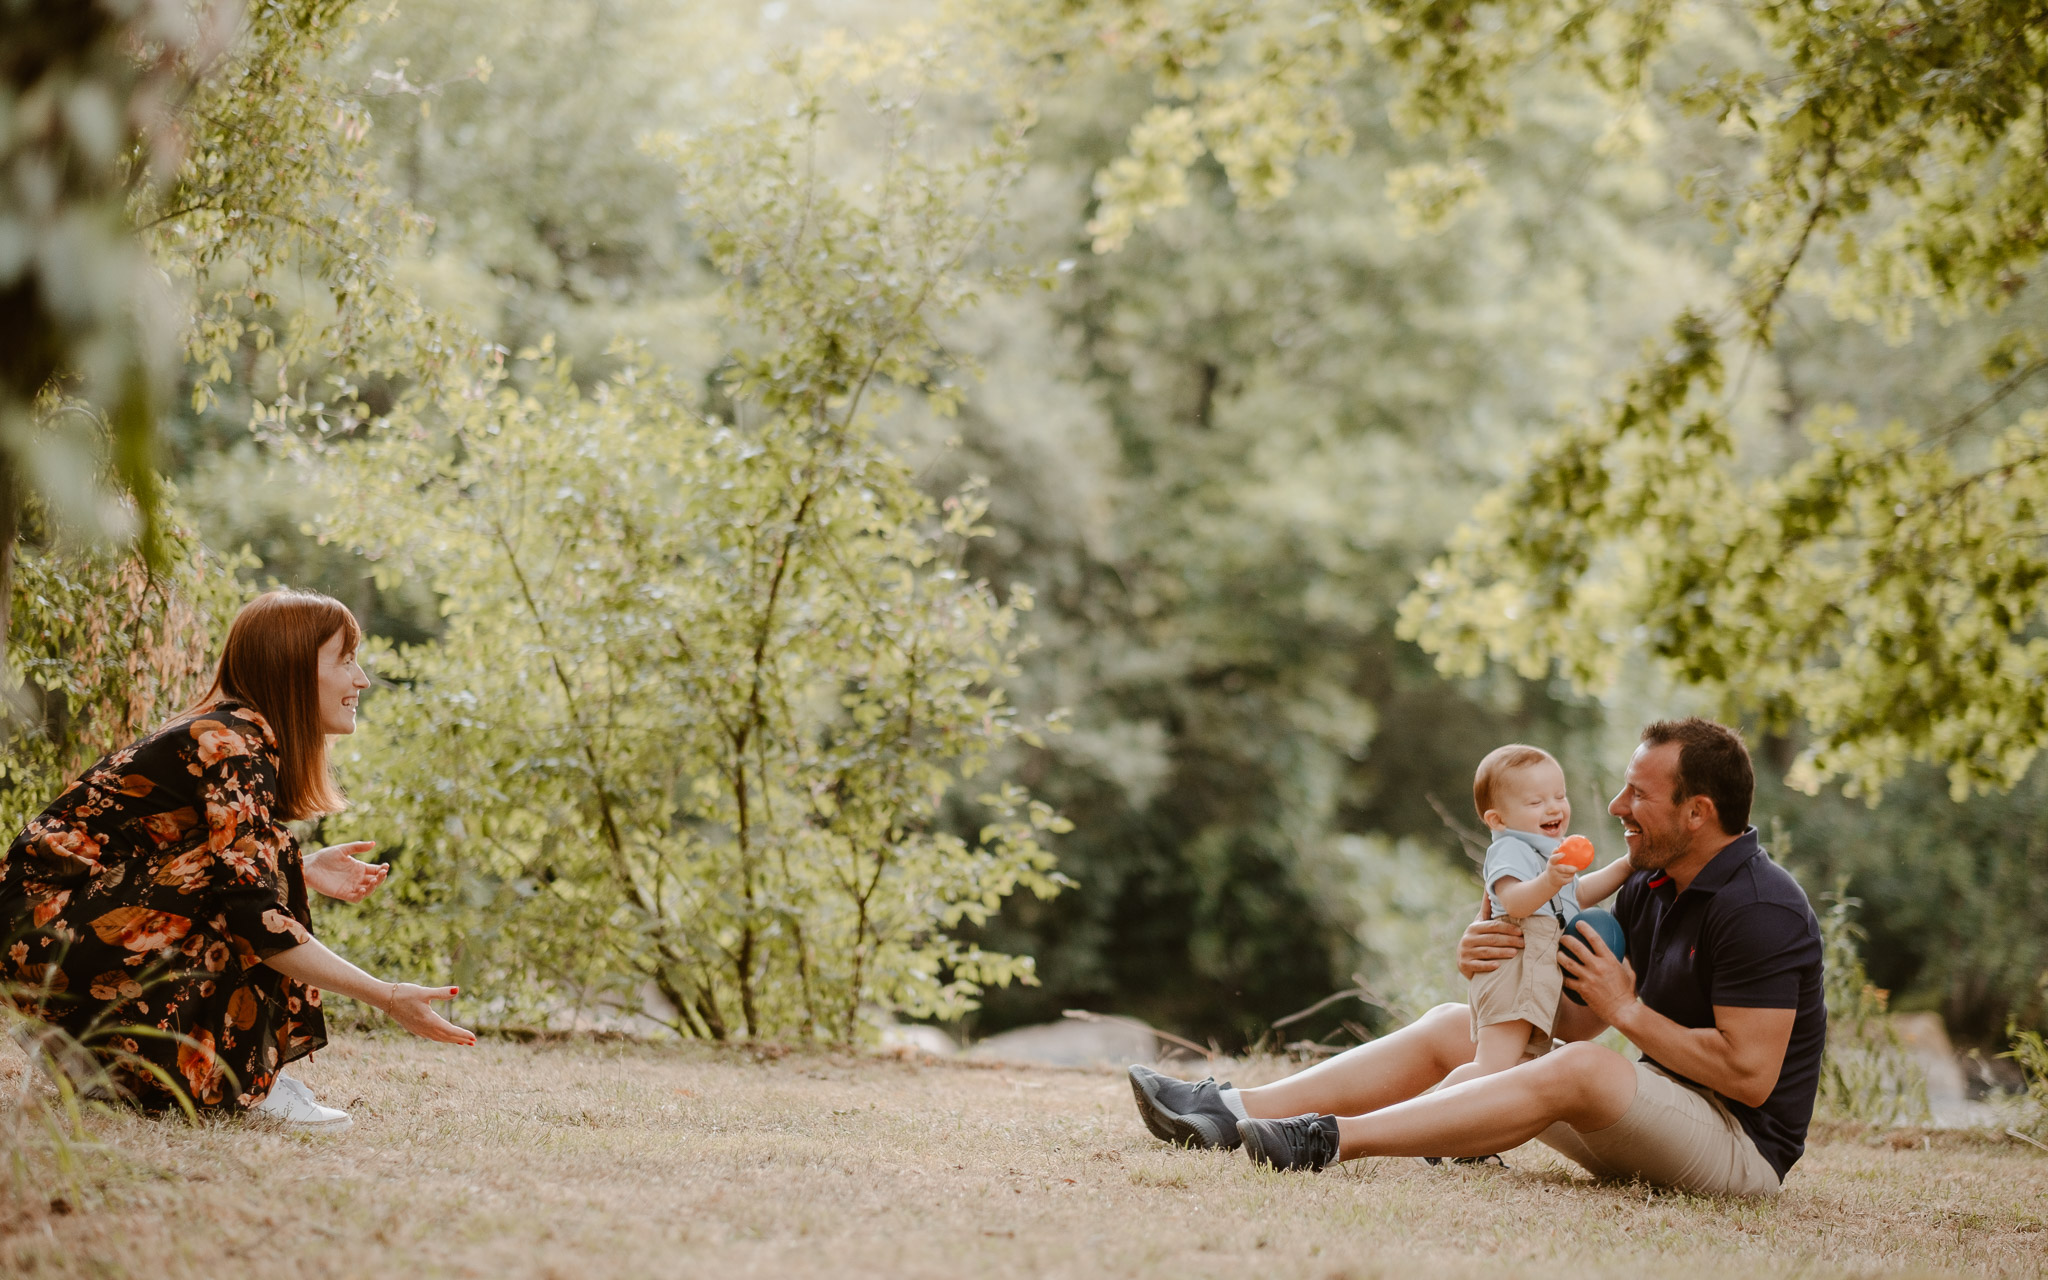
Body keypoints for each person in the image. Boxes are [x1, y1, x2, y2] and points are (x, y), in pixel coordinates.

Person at [1128, 718, 1826, 1197]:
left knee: (1583, 1069)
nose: (1615, 805)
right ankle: (1232, 1110)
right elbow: (1577, 1026)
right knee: (1447, 1024)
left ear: (1698, 812)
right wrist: (1497, 953)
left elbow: (1750, 1076)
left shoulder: (1759, 907)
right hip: (1651, 1118)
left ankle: (1330, 1139)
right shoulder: (1650, 884)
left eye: (1638, 795)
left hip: (1738, 1152)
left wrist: (1628, 1010)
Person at [2, 589, 475, 1131]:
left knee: (254, 871)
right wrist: (387, 996)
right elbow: (252, 913)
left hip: (47, 927)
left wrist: (295, 864)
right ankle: (241, 1079)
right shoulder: (230, 744)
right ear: (293, 669)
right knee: (245, 896)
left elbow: (213, 857)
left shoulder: (237, 734)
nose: (361, 679)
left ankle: (96, 1060)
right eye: (345, 660)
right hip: (43, 928)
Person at [1447, 744, 1631, 1093]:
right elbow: (1514, 903)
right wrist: (1549, 880)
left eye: (1560, 796)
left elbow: (1573, 897)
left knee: (1517, 1068)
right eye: (1536, 802)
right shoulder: (1509, 849)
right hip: (1514, 968)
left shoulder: (1546, 853)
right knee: (1493, 1065)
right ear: (1497, 820)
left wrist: (1626, 865)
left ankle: (1467, 1139)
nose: (1554, 807)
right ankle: (1431, 1119)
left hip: (1535, 972)